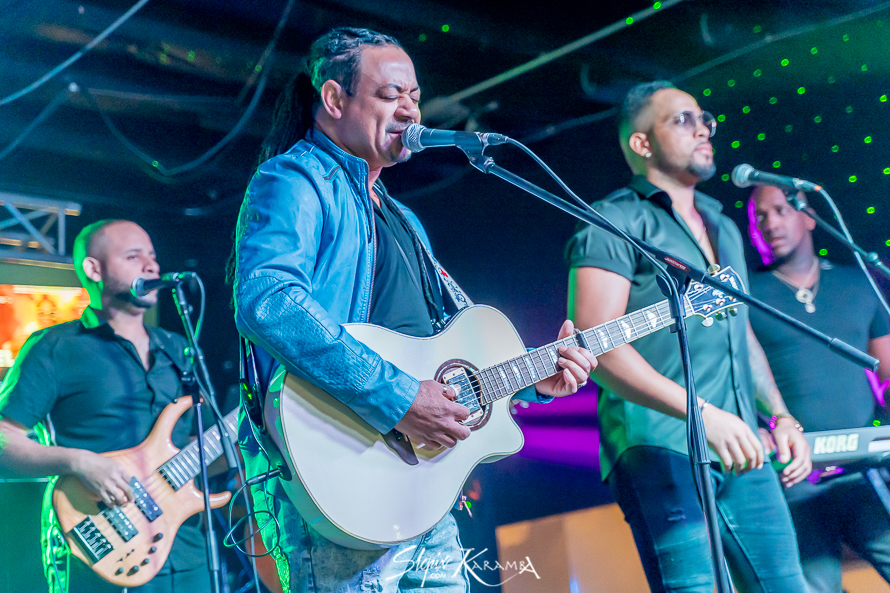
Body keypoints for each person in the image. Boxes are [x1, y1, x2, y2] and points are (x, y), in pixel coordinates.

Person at [231, 27, 596, 593]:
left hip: (418, 483)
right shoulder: (294, 178)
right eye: (390, 94)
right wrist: (399, 397)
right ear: (334, 99)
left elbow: (441, 346)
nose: (409, 109)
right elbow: (269, 300)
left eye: (415, 96)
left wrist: (532, 374)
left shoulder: (403, 218)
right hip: (342, 472)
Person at [564, 80, 813, 592]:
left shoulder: (724, 225)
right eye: (682, 120)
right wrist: (703, 416)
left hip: (741, 443)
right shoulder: (614, 220)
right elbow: (596, 343)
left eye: (704, 119)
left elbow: (740, 333)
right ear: (641, 143)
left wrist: (779, 415)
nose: (703, 129)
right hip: (660, 447)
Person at [0, 220, 211, 593]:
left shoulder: (178, 349)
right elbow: (4, 438)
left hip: (187, 553)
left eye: (152, 256)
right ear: (93, 269)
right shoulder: (55, 347)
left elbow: (203, 443)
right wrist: (79, 462)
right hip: (98, 548)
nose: (151, 266)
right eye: (133, 256)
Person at [748, 184, 890, 592]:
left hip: (864, 469)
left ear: (809, 217)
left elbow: (887, 376)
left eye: (780, 210)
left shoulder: (857, 283)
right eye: (759, 217)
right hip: (793, 477)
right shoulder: (744, 295)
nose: (770, 223)